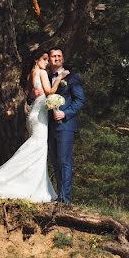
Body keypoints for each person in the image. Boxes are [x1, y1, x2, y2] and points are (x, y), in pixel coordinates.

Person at [0, 52, 68, 201]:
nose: (47, 62)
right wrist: (58, 79)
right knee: (37, 148)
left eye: (47, 60)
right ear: (36, 60)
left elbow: (32, 94)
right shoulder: (42, 72)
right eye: (44, 59)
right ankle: (18, 184)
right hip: (39, 117)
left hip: (34, 115)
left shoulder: (32, 74)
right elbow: (50, 92)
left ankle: (34, 185)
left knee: (35, 148)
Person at [46, 48, 85, 204]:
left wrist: (65, 113)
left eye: (59, 56)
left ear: (63, 59)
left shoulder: (72, 77)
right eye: (53, 56)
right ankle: (59, 195)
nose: (57, 59)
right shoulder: (47, 78)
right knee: (55, 162)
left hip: (65, 125)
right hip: (49, 127)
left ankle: (65, 199)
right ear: (49, 59)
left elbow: (79, 100)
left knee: (64, 161)